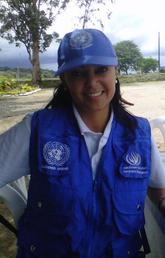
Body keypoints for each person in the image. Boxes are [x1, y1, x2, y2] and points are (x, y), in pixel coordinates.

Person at [0, 28, 165, 258]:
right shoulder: (37, 129)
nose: (92, 83)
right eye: (78, 73)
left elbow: (159, 188)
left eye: (101, 70)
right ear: (64, 79)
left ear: (115, 72)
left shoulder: (139, 133)